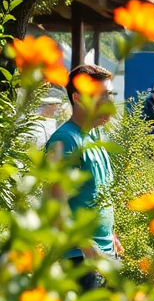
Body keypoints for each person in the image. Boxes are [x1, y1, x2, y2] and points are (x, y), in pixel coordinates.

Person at [47, 64, 122, 268]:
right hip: (79, 258)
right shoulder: (65, 140)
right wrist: (85, 245)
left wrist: (111, 236)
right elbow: (55, 205)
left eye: (109, 95)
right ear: (77, 99)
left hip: (104, 253)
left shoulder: (95, 138)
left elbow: (95, 196)